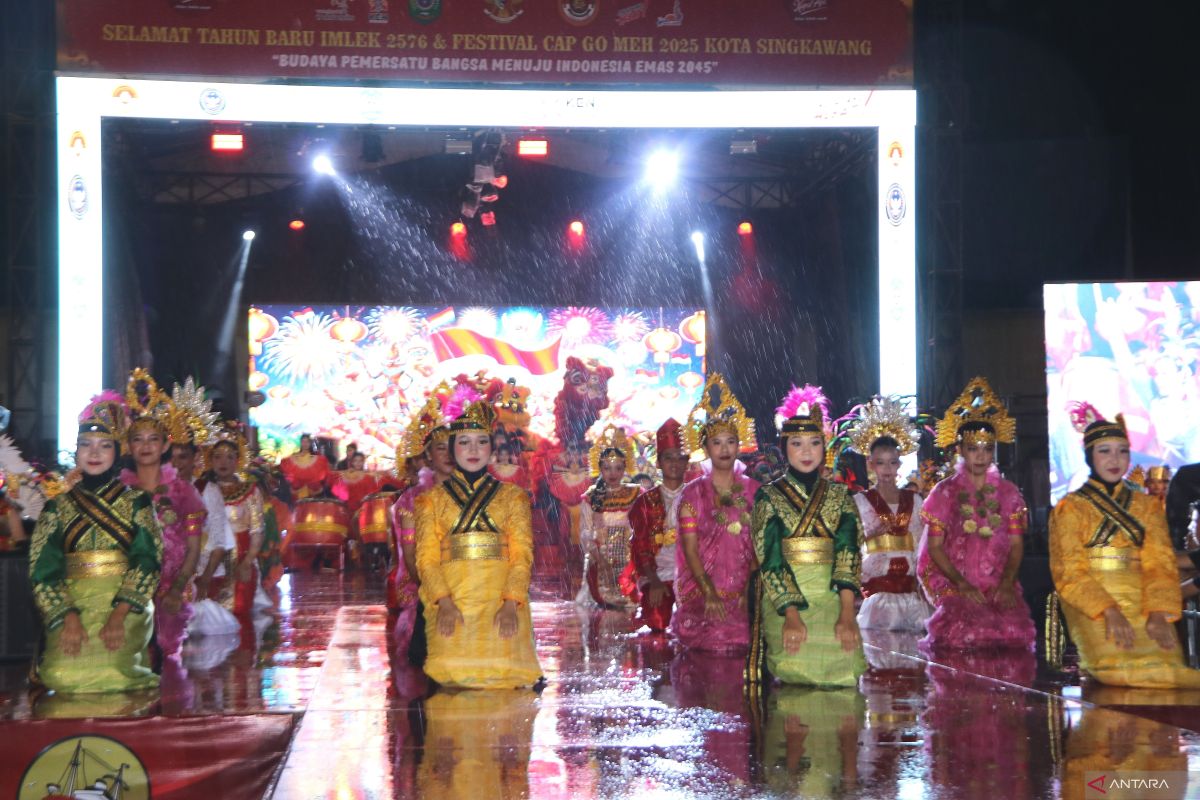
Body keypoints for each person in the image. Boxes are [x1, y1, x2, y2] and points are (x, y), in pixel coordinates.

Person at [1048, 404, 1200, 688]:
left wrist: (1157, 613)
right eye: (1104, 451)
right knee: (1120, 671)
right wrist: (1110, 611)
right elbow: (1069, 572)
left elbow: (1160, 564)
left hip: (1143, 597)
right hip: (1092, 601)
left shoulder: (1146, 507)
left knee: (1166, 665)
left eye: (1122, 451)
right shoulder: (1070, 509)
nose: (1114, 459)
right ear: (1090, 456)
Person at [29, 393, 162, 693]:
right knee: (61, 673)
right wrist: (69, 617)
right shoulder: (57, 506)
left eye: (104, 446)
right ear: (75, 451)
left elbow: (148, 561)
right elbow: (43, 571)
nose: (94, 452)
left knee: (114, 669)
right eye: (86, 445)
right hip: (72, 602)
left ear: (117, 452)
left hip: (125, 603)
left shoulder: (137, 502)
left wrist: (118, 616)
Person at [414, 397, 542, 689]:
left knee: (506, 686)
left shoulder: (513, 497)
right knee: (451, 681)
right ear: (451, 449)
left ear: (492, 448)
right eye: (464, 442)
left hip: (501, 600)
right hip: (452, 600)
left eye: (481, 441)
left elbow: (522, 556)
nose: (473, 450)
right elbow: (427, 560)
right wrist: (443, 603)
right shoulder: (430, 501)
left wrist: (511, 603)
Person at [750, 384, 866, 687]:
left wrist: (846, 614)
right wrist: (790, 614)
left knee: (846, 663)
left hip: (831, 596)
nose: (806, 451)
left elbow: (848, 552)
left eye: (814, 443)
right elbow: (770, 558)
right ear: (784, 447)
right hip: (786, 599)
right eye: (797, 443)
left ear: (824, 447)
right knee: (798, 665)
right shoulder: (768, 496)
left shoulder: (840, 495)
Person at [916, 376, 1036, 652]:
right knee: (963, 634)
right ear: (959, 450)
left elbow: (1017, 545)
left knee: (1010, 636)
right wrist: (961, 584)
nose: (981, 456)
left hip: (996, 582)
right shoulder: (944, 493)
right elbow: (934, 547)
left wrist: (1006, 584)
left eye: (987, 449)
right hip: (953, 582)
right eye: (973, 449)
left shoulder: (1009, 494)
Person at [120, 369, 209, 661]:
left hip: (171, 592)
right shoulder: (118, 493)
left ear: (165, 445)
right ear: (128, 446)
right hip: (125, 594)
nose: (145, 446)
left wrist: (178, 589)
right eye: (138, 439)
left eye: (153, 439)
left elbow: (194, 548)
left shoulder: (185, 493)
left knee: (168, 664)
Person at [672, 375, 760, 652]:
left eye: (731, 441)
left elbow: (761, 544)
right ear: (706, 447)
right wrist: (708, 593)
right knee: (709, 637)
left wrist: (750, 589)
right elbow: (690, 549)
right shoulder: (692, 494)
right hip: (704, 590)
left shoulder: (755, 491)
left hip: (746, 589)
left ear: (739, 445)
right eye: (717, 442)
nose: (724, 449)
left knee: (753, 636)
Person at [843, 396, 931, 632]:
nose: (887, 470)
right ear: (870, 465)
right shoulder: (859, 503)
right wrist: (869, 535)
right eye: (881, 463)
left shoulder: (915, 501)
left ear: (899, 465)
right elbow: (846, 548)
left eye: (892, 463)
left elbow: (923, 549)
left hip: (911, 598)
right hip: (874, 598)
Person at [167, 378, 238, 637]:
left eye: (183, 457)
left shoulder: (206, 490)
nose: (177, 464)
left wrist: (206, 577)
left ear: (195, 458)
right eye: (171, 457)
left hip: (200, 574)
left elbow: (219, 540)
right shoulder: (159, 489)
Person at [389, 389, 454, 660]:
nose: (450, 454)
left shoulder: (469, 493)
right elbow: (413, 557)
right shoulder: (412, 500)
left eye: (454, 446)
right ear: (427, 456)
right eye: (441, 447)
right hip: (425, 588)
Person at [627, 419, 689, 633]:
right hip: (658, 574)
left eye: (680, 457)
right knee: (658, 621)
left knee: (692, 623)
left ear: (687, 462)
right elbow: (640, 547)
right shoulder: (645, 502)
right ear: (659, 462)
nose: (674, 463)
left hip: (693, 575)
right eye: (668, 457)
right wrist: (653, 581)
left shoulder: (697, 496)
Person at [576, 425, 641, 610]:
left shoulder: (635, 493)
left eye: (618, 468)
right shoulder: (591, 496)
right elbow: (586, 532)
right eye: (607, 468)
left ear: (625, 469)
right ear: (600, 469)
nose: (613, 473)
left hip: (629, 553)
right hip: (601, 554)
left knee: (631, 598)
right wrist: (600, 557)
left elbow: (641, 526)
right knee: (606, 602)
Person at [205, 422, 265, 618]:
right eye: (218, 457)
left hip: (240, 559)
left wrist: (247, 562)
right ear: (210, 461)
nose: (224, 462)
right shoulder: (200, 490)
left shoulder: (250, 492)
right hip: (208, 561)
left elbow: (257, 530)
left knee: (238, 611)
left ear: (238, 461)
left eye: (230, 457)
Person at [279, 434, 331, 500]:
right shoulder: (294, 457)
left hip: (314, 492)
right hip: (298, 492)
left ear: (310, 443)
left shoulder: (318, 458)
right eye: (303, 442)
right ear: (300, 443)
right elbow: (288, 474)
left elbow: (324, 473)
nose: (305, 444)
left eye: (307, 442)